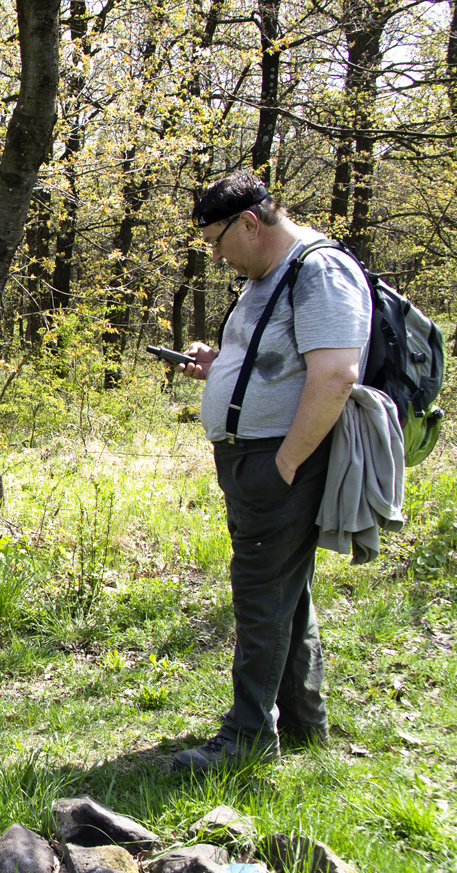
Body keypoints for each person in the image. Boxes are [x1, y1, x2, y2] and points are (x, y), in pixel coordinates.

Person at [173, 172, 370, 771]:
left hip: (280, 461)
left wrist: (286, 464)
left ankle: (248, 737)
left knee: (260, 597)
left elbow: (336, 374)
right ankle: (305, 722)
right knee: (287, 593)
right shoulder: (268, 276)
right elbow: (279, 362)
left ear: (250, 223)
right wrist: (221, 364)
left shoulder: (318, 271)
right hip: (254, 457)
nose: (215, 254)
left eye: (216, 240)